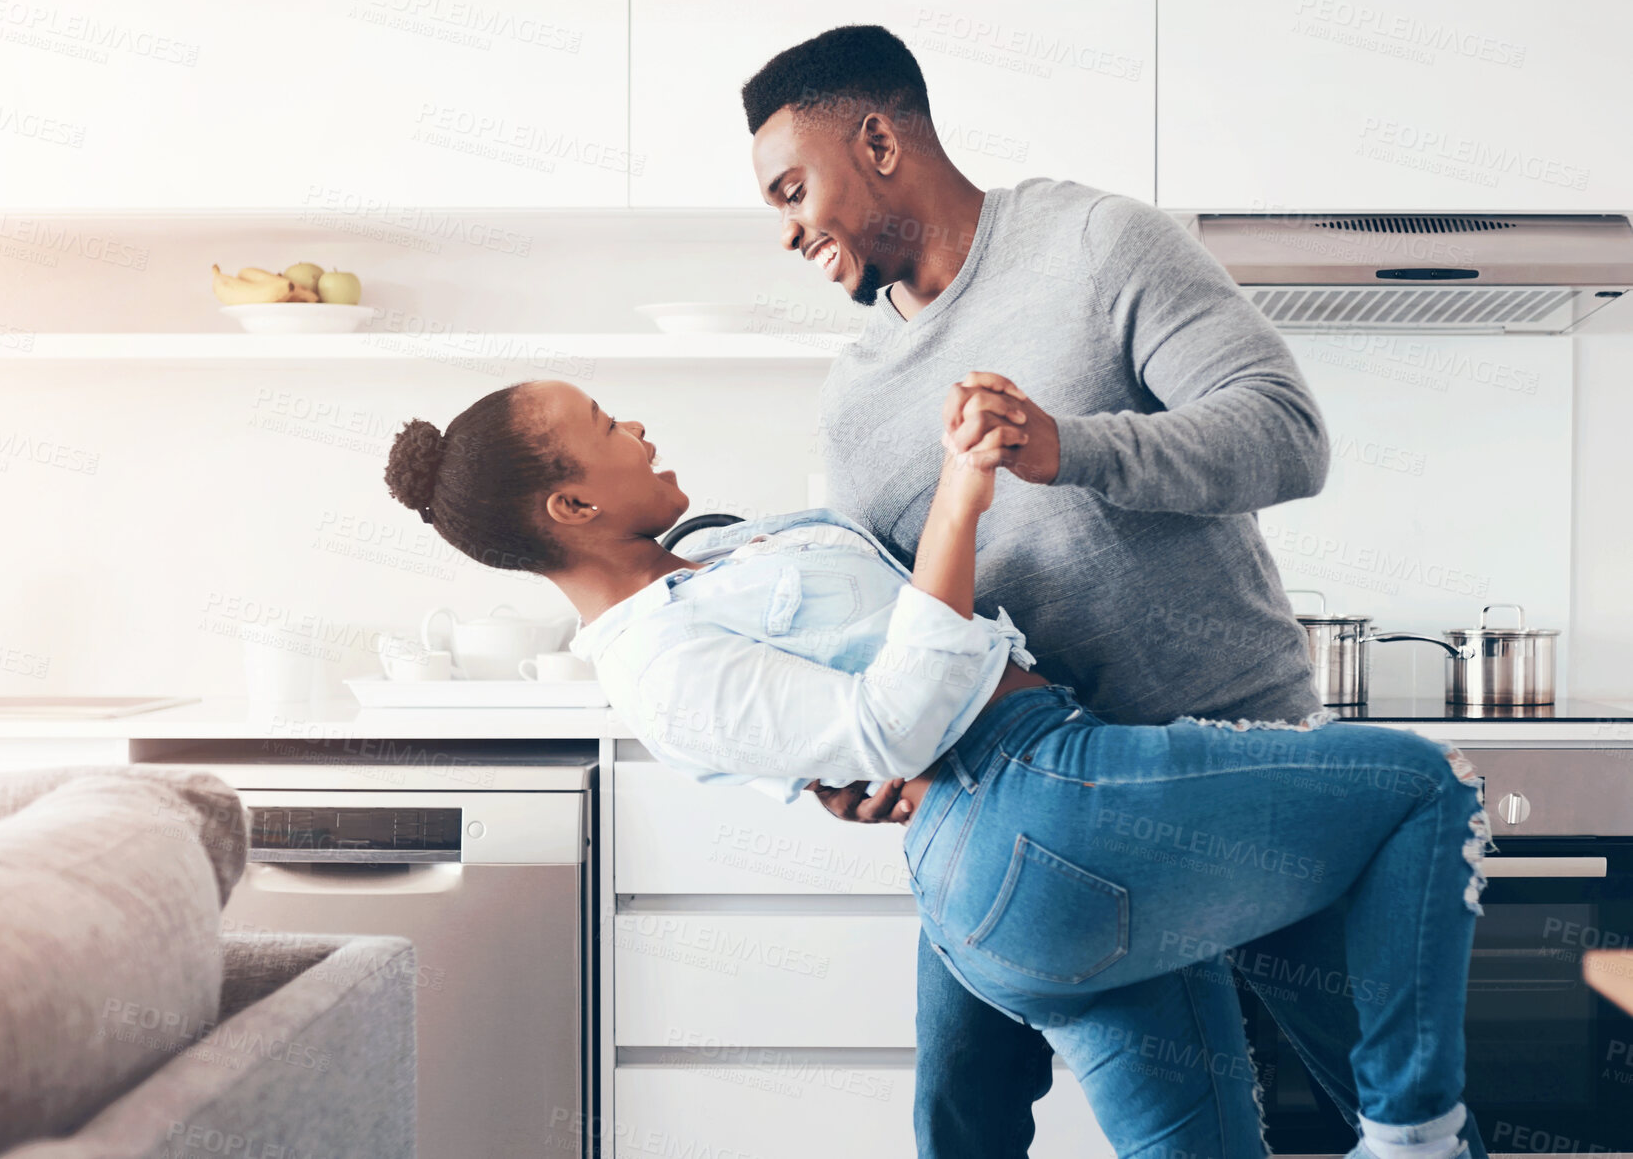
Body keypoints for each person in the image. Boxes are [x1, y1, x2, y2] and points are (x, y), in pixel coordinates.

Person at [381, 374, 1491, 1159]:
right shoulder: (657, 668)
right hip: (1042, 797)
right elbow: (894, 722)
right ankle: (1412, 1135)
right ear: (572, 505)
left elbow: (850, 721)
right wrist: (963, 490)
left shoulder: (705, 560)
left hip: (997, 872)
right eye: (604, 423)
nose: (636, 425)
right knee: (1425, 788)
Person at [733, 23, 1495, 1159]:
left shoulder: (1094, 242)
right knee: (957, 1114)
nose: (789, 231)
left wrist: (1069, 446)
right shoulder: (853, 412)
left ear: (881, 139)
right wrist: (849, 762)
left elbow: (1289, 437)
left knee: (1387, 1106)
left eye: (794, 189)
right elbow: (887, 629)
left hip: (1235, 762)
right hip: (1030, 811)